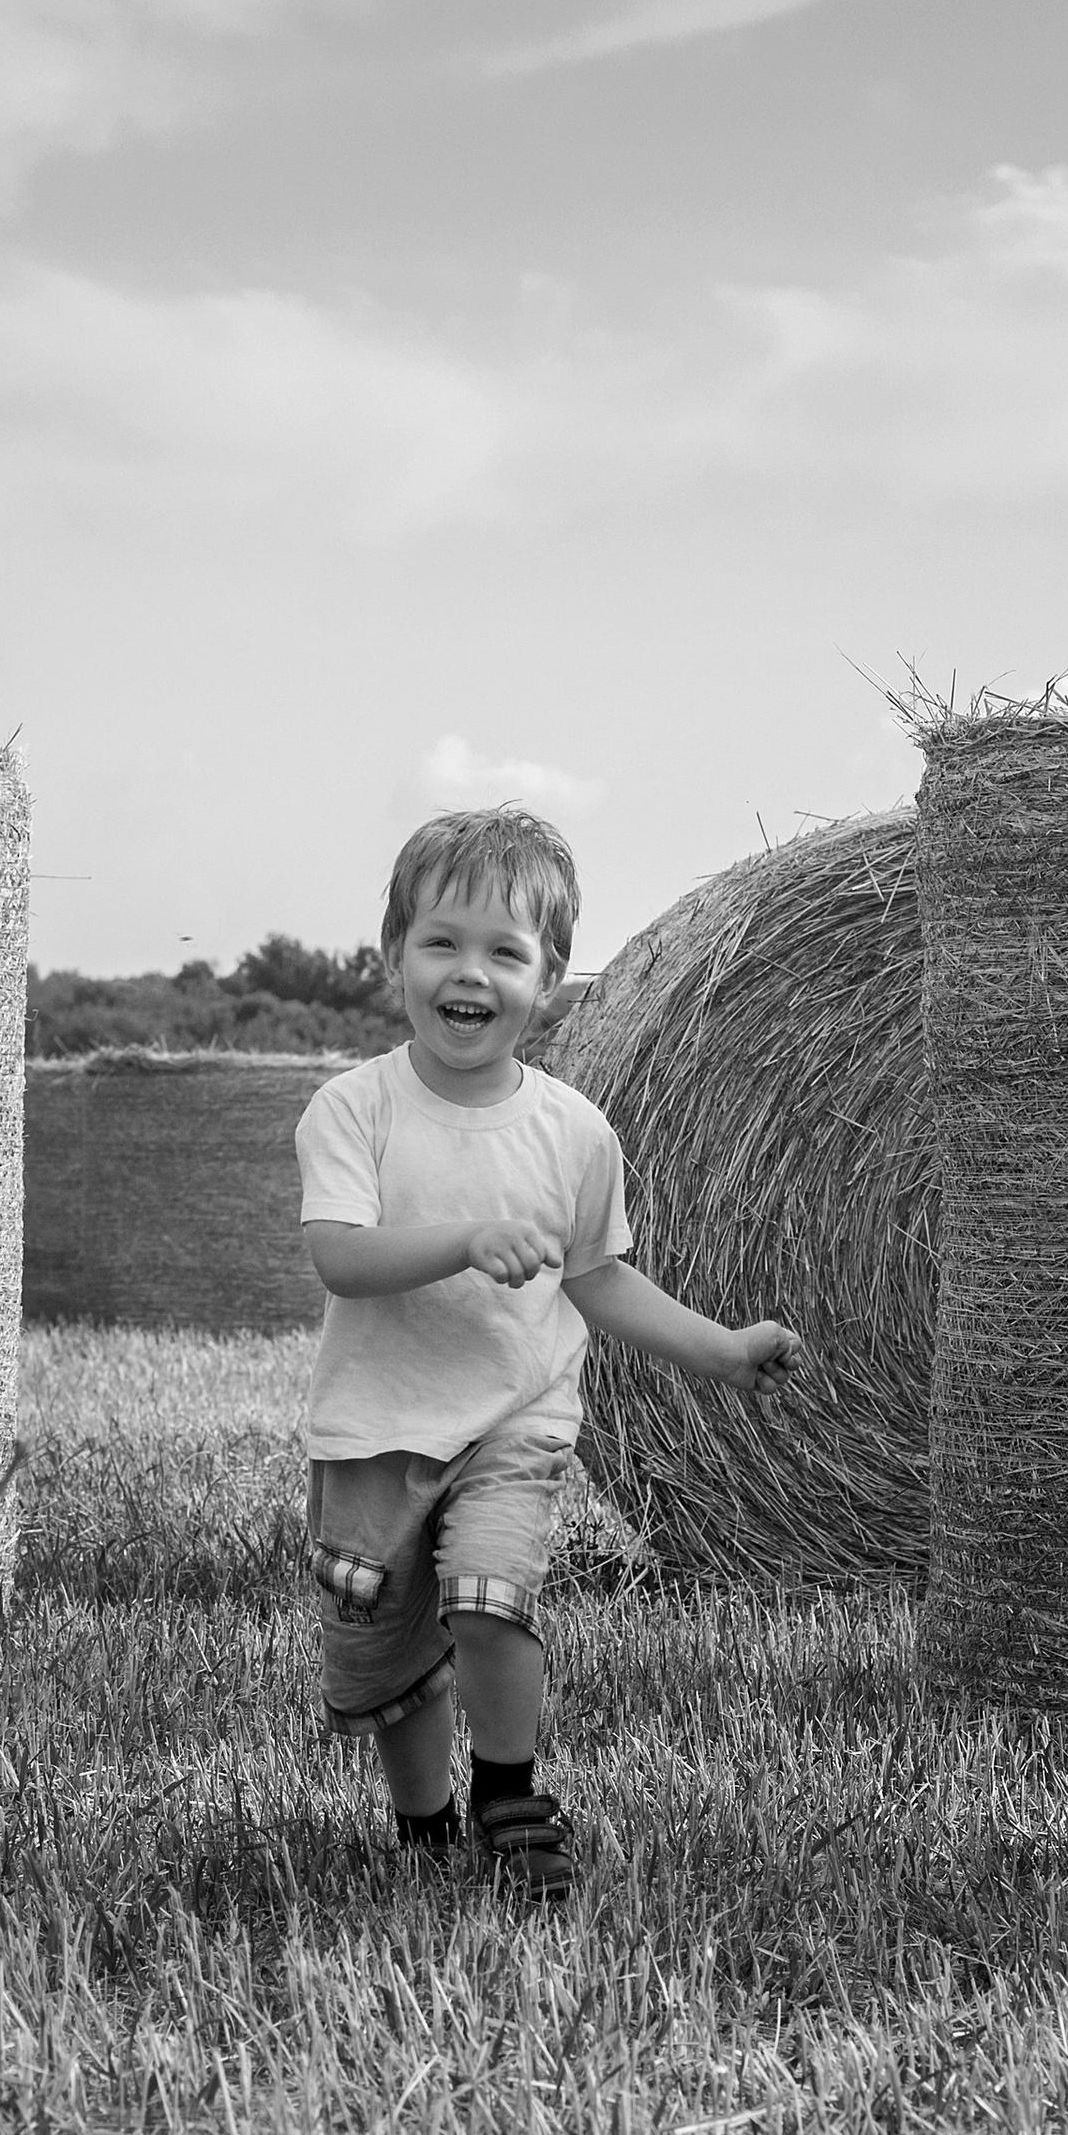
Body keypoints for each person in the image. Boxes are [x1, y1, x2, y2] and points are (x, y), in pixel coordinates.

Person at [294, 806, 805, 1900]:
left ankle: (509, 1794)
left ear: (550, 977)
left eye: (504, 951)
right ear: (393, 953)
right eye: (440, 942)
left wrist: (720, 1351)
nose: (468, 972)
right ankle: (423, 1828)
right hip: (374, 1427)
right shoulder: (353, 1109)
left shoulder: (575, 1132)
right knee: (389, 1657)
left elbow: (598, 1278)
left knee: (490, 1598)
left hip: (514, 1421)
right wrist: (464, 1239)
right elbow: (340, 1257)